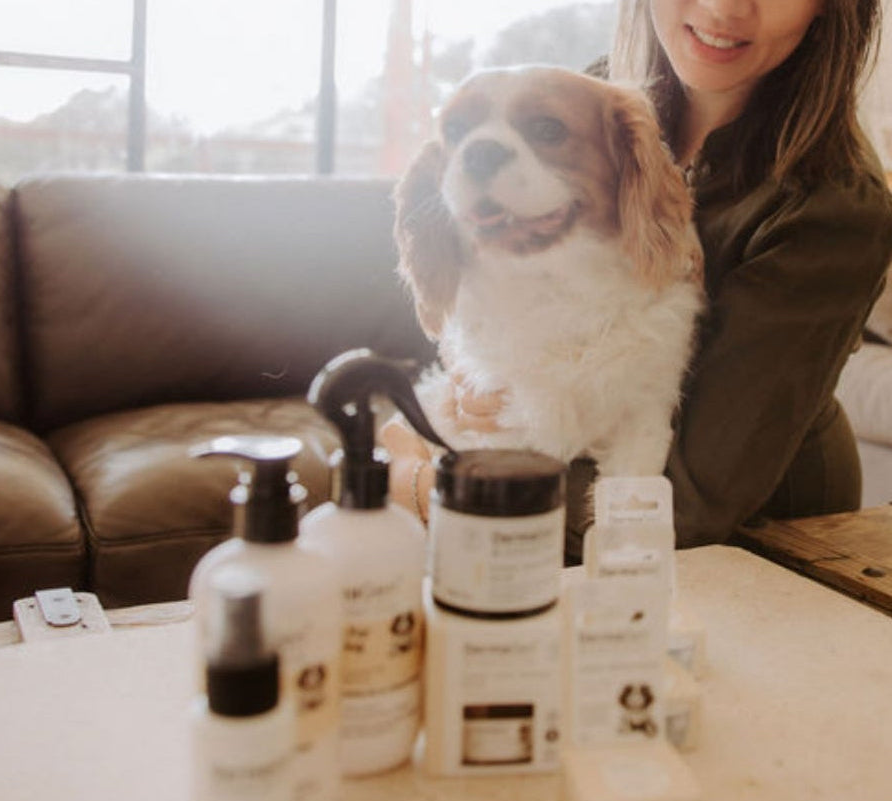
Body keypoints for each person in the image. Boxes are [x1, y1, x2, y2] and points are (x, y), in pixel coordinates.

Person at [380, 0, 892, 564]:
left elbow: (689, 509)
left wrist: (426, 483)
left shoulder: (835, 206)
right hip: (548, 486)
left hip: (751, 543)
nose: (724, 7)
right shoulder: (594, 93)